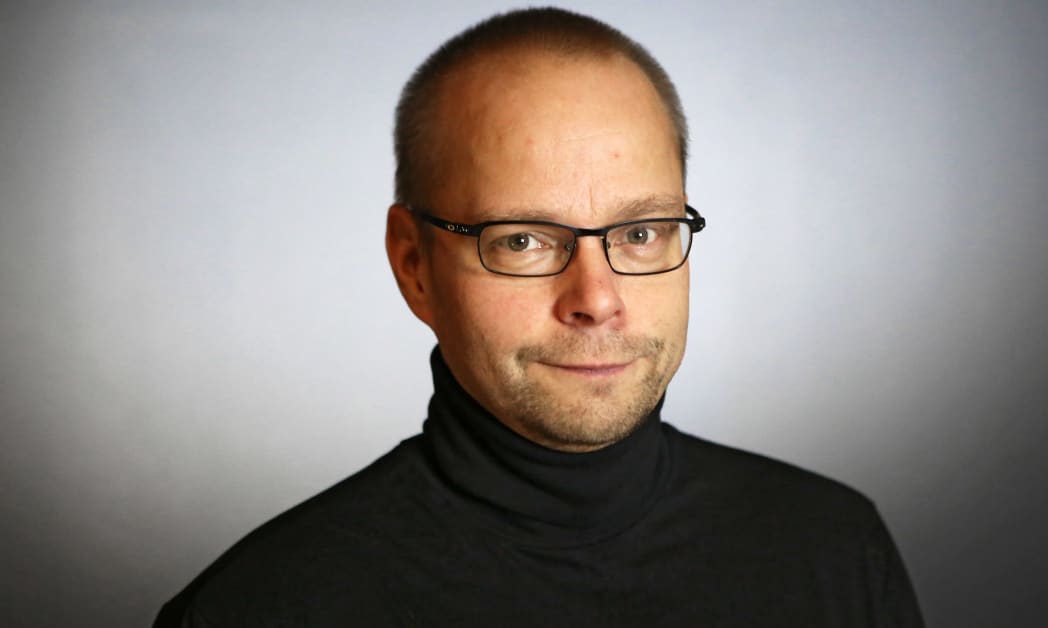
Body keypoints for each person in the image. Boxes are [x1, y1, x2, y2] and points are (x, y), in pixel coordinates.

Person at [155, 7, 924, 627]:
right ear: (414, 264)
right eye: (522, 240)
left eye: (640, 232)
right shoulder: (260, 609)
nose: (596, 299)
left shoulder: (832, 546)